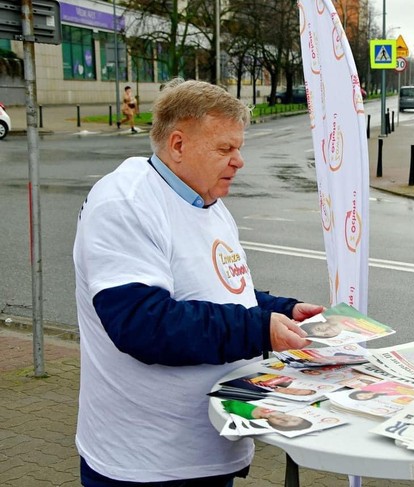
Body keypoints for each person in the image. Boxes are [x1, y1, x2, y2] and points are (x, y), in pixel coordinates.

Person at [73, 78, 325, 486]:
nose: (239, 161)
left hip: (207, 448)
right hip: (147, 463)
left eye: (239, 147)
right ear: (177, 145)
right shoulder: (126, 202)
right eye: (225, 149)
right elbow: (144, 323)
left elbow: (219, 290)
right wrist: (260, 329)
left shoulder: (207, 200)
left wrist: (281, 310)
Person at [221, 400, 313, 432]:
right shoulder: (281, 404)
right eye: (294, 420)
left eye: (282, 422)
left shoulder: (247, 413)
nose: (284, 418)